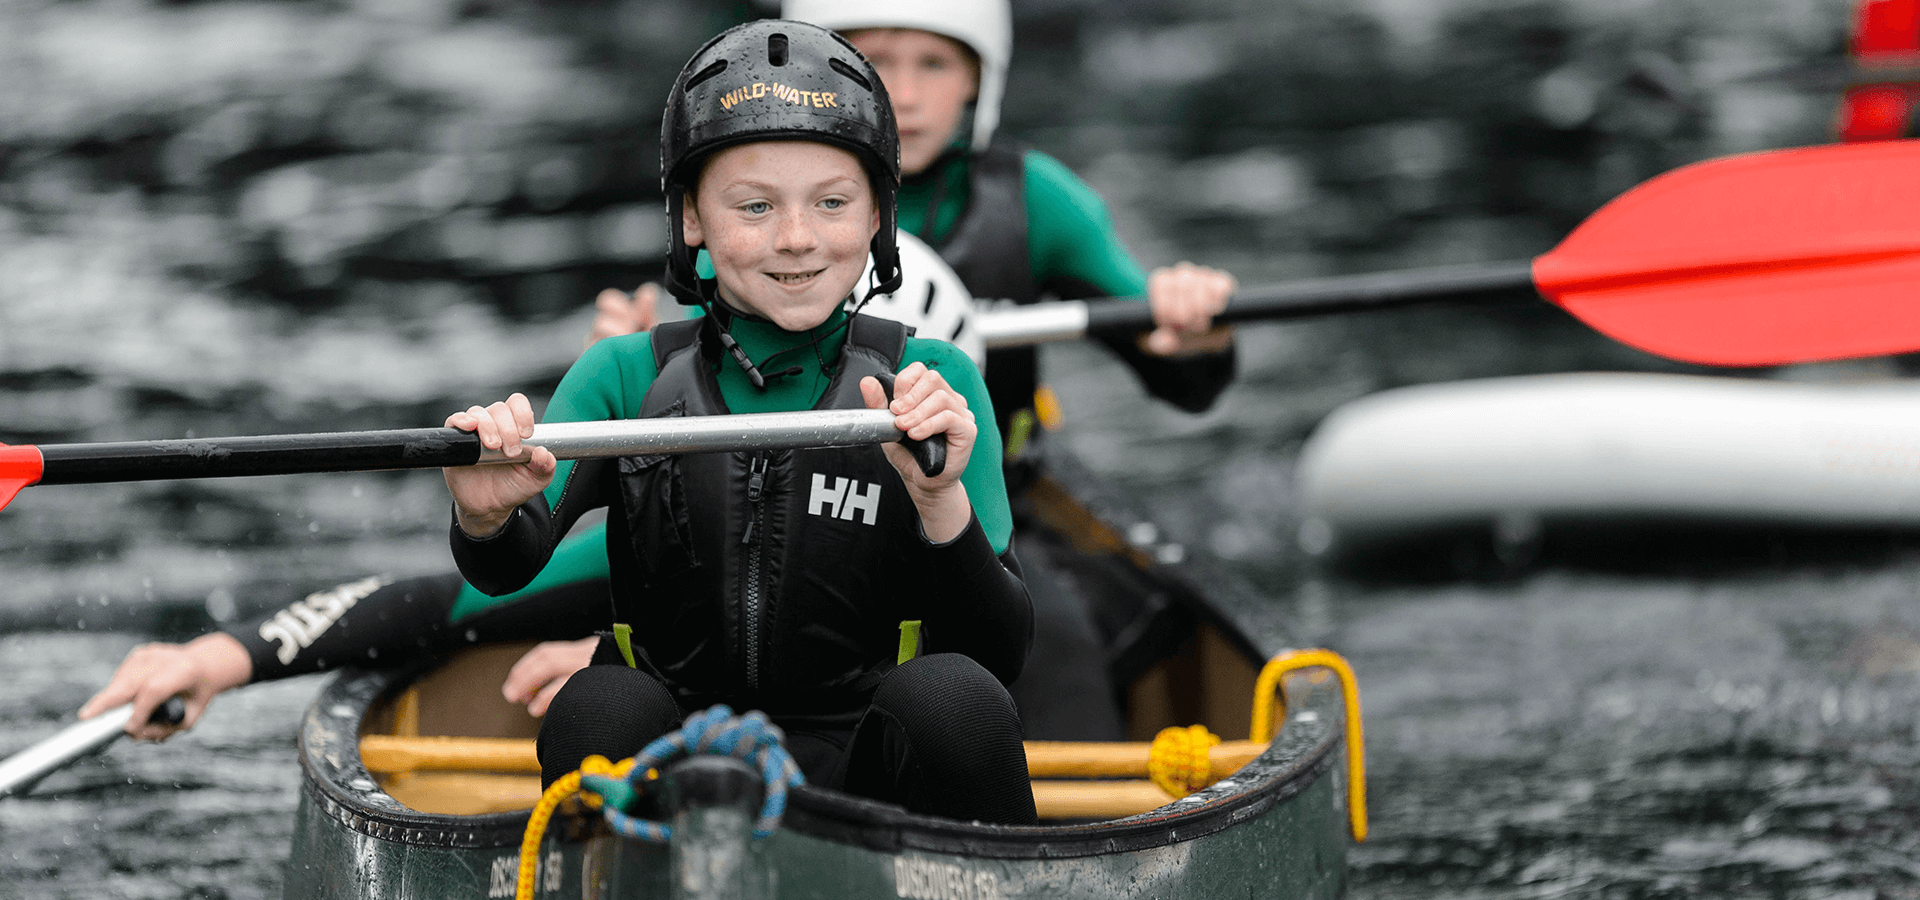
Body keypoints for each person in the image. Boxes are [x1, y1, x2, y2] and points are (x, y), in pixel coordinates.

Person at [441, 20, 1036, 824]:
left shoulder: (934, 382)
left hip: (869, 763)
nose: (796, 239)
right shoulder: (627, 376)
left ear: (875, 219)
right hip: (674, 758)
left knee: (955, 695)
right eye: (754, 206)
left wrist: (940, 504)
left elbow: (999, 655)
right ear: (693, 220)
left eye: (832, 202)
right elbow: (509, 569)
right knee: (597, 705)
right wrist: (486, 516)